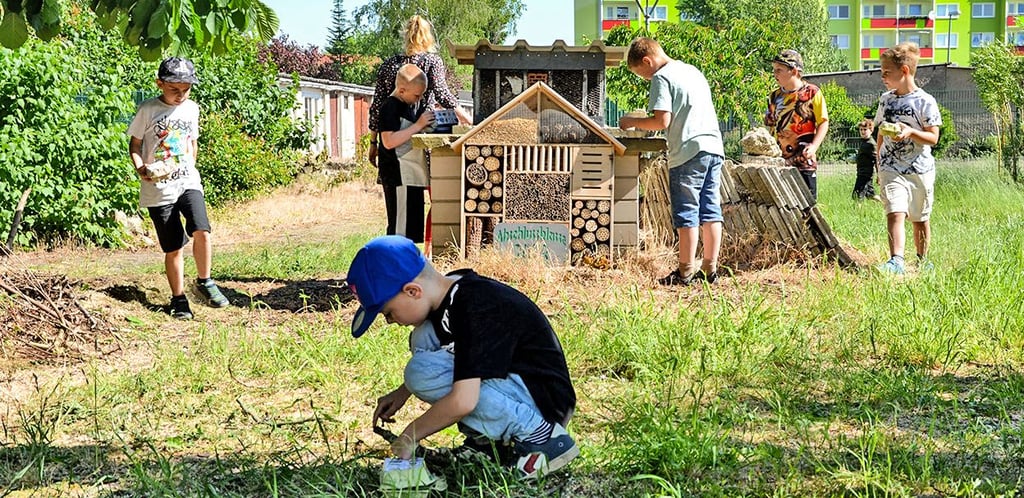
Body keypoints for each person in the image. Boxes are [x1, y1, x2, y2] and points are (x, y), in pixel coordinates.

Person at [347, 235, 579, 480]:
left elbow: (464, 401)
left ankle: (541, 438)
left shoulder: (474, 304)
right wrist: (403, 392)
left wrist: (409, 435)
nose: (391, 321)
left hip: (542, 403)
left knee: (419, 371)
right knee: (423, 337)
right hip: (517, 386)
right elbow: (468, 358)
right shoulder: (452, 291)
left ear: (413, 291)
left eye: (389, 312)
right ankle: (488, 445)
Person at [127, 57, 229, 320]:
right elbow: (135, 145)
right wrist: (142, 169)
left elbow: (192, 143)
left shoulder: (192, 109)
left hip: (188, 182)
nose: (181, 95)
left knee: (202, 230)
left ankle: (205, 282)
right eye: (174, 90)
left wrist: (189, 166)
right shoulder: (148, 109)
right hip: (159, 189)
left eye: (186, 89)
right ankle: (179, 298)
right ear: (160, 84)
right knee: (174, 247)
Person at [618, 37, 725, 285]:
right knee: (710, 211)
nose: (645, 80)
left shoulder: (661, 77)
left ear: (647, 60)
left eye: (642, 74)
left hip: (687, 151)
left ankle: (685, 272)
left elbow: (661, 121)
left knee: (687, 212)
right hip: (713, 146)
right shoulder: (692, 71)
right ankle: (710, 269)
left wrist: (631, 122)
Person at [873, 42, 941, 275]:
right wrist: (878, 163)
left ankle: (922, 259)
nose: (882, 77)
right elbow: (881, 131)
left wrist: (910, 132)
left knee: (920, 218)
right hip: (891, 168)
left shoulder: (925, 101)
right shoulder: (885, 100)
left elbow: (933, 138)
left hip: (919, 169)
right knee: (895, 211)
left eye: (886, 72)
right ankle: (896, 261)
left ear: (904, 71)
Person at [367, 15, 471, 166]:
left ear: (406, 34)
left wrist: (373, 142)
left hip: (393, 139)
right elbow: (443, 95)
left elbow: (376, 107)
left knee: (395, 185)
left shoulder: (389, 65)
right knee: (425, 182)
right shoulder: (432, 62)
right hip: (421, 136)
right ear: (428, 36)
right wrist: (470, 121)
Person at [379, 64, 436, 243]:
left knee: (411, 230)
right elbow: (388, 141)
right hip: (398, 176)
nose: (419, 99)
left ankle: (407, 266)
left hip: (412, 176)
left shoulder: (409, 105)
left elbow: (408, 133)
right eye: (416, 95)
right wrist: (418, 125)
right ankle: (394, 267)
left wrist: (424, 127)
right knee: (399, 231)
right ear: (402, 90)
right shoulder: (390, 107)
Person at [764, 49, 830, 201]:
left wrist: (814, 146)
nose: (775, 74)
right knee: (782, 204)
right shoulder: (774, 95)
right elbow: (772, 123)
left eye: (779, 70)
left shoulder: (812, 93)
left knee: (807, 205)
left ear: (793, 71)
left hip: (804, 161)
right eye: (774, 70)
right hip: (778, 161)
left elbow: (823, 122)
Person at [852, 119, 880, 201]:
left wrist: (879, 175)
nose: (863, 132)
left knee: (857, 196)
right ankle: (885, 205)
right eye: (861, 129)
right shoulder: (864, 142)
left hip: (865, 174)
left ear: (871, 130)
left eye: (865, 129)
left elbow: (877, 160)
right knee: (870, 195)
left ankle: (858, 213)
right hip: (861, 172)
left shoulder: (871, 144)